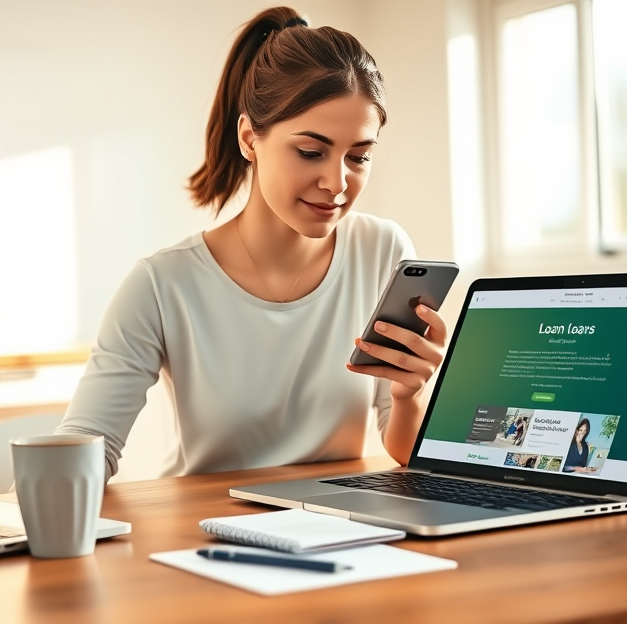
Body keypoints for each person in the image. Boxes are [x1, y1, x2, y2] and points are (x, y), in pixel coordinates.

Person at [55, 7, 448, 483]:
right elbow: (86, 445)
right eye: (311, 152)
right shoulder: (163, 284)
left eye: (359, 156)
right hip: (206, 534)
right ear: (249, 138)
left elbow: (404, 452)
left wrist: (409, 395)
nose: (336, 182)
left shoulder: (383, 250)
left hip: (337, 527)